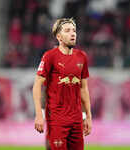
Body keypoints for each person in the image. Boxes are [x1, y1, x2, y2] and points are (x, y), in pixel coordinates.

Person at [32, 18, 92, 150]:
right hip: (57, 120)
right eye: (68, 30)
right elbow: (37, 85)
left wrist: (88, 116)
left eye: (74, 30)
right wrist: (38, 114)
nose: (73, 34)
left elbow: (83, 88)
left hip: (76, 121)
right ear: (59, 37)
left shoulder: (82, 57)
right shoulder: (49, 57)